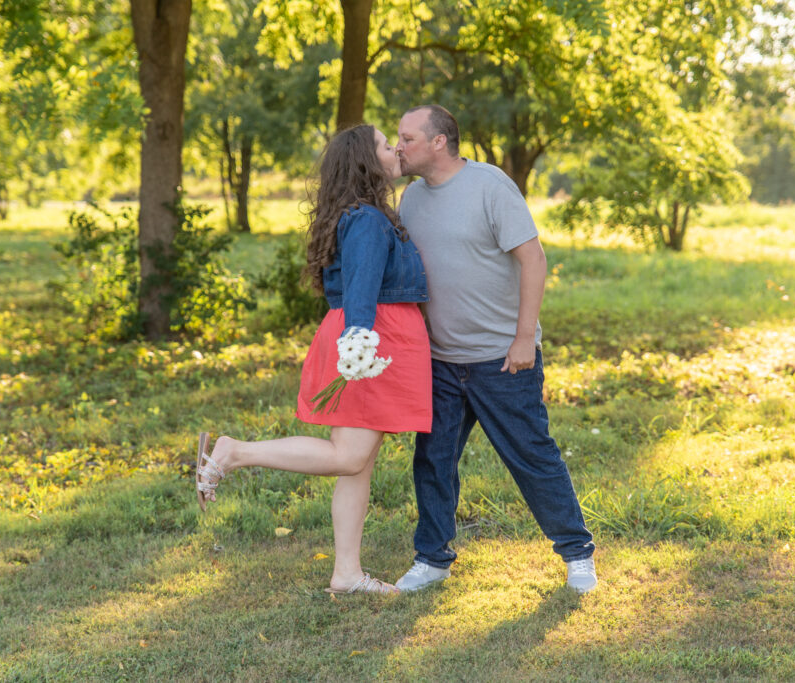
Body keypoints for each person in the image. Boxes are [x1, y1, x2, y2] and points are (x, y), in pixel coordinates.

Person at [195, 124, 431, 594]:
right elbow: (362, 290)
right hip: (369, 341)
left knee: (359, 464)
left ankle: (346, 573)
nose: (396, 150)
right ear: (369, 160)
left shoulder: (363, 213)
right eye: (388, 145)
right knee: (349, 457)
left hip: (372, 338)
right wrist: (360, 346)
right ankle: (234, 452)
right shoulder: (366, 218)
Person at [392, 105, 597, 594]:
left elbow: (533, 258)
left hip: (502, 358)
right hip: (441, 360)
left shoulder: (490, 185)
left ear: (439, 141)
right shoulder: (411, 199)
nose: (399, 147)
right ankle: (433, 557)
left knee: (532, 455)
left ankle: (577, 553)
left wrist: (524, 337)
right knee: (433, 459)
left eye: (407, 138)